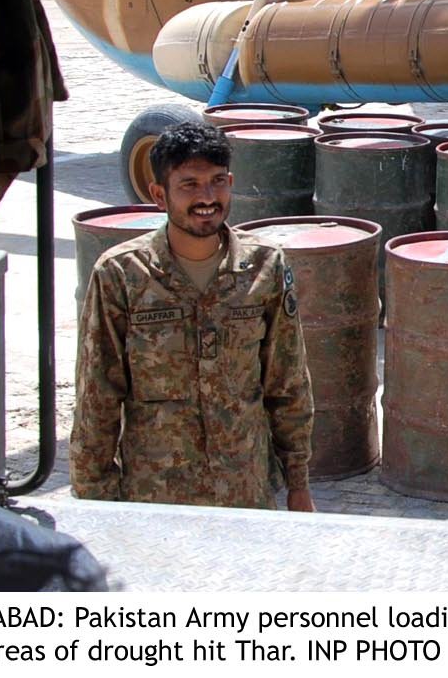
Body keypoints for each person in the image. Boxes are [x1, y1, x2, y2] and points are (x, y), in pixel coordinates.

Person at [70, 122, 314, 510]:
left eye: (218, 181)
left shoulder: (265, 267)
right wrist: (94, 499)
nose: (207, 197)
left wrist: (298, 482)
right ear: (158, 195)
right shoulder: (121, 274)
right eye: (189, 185)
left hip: (245, 494)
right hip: (156, 498)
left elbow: (287, 382)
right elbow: (97, 396)